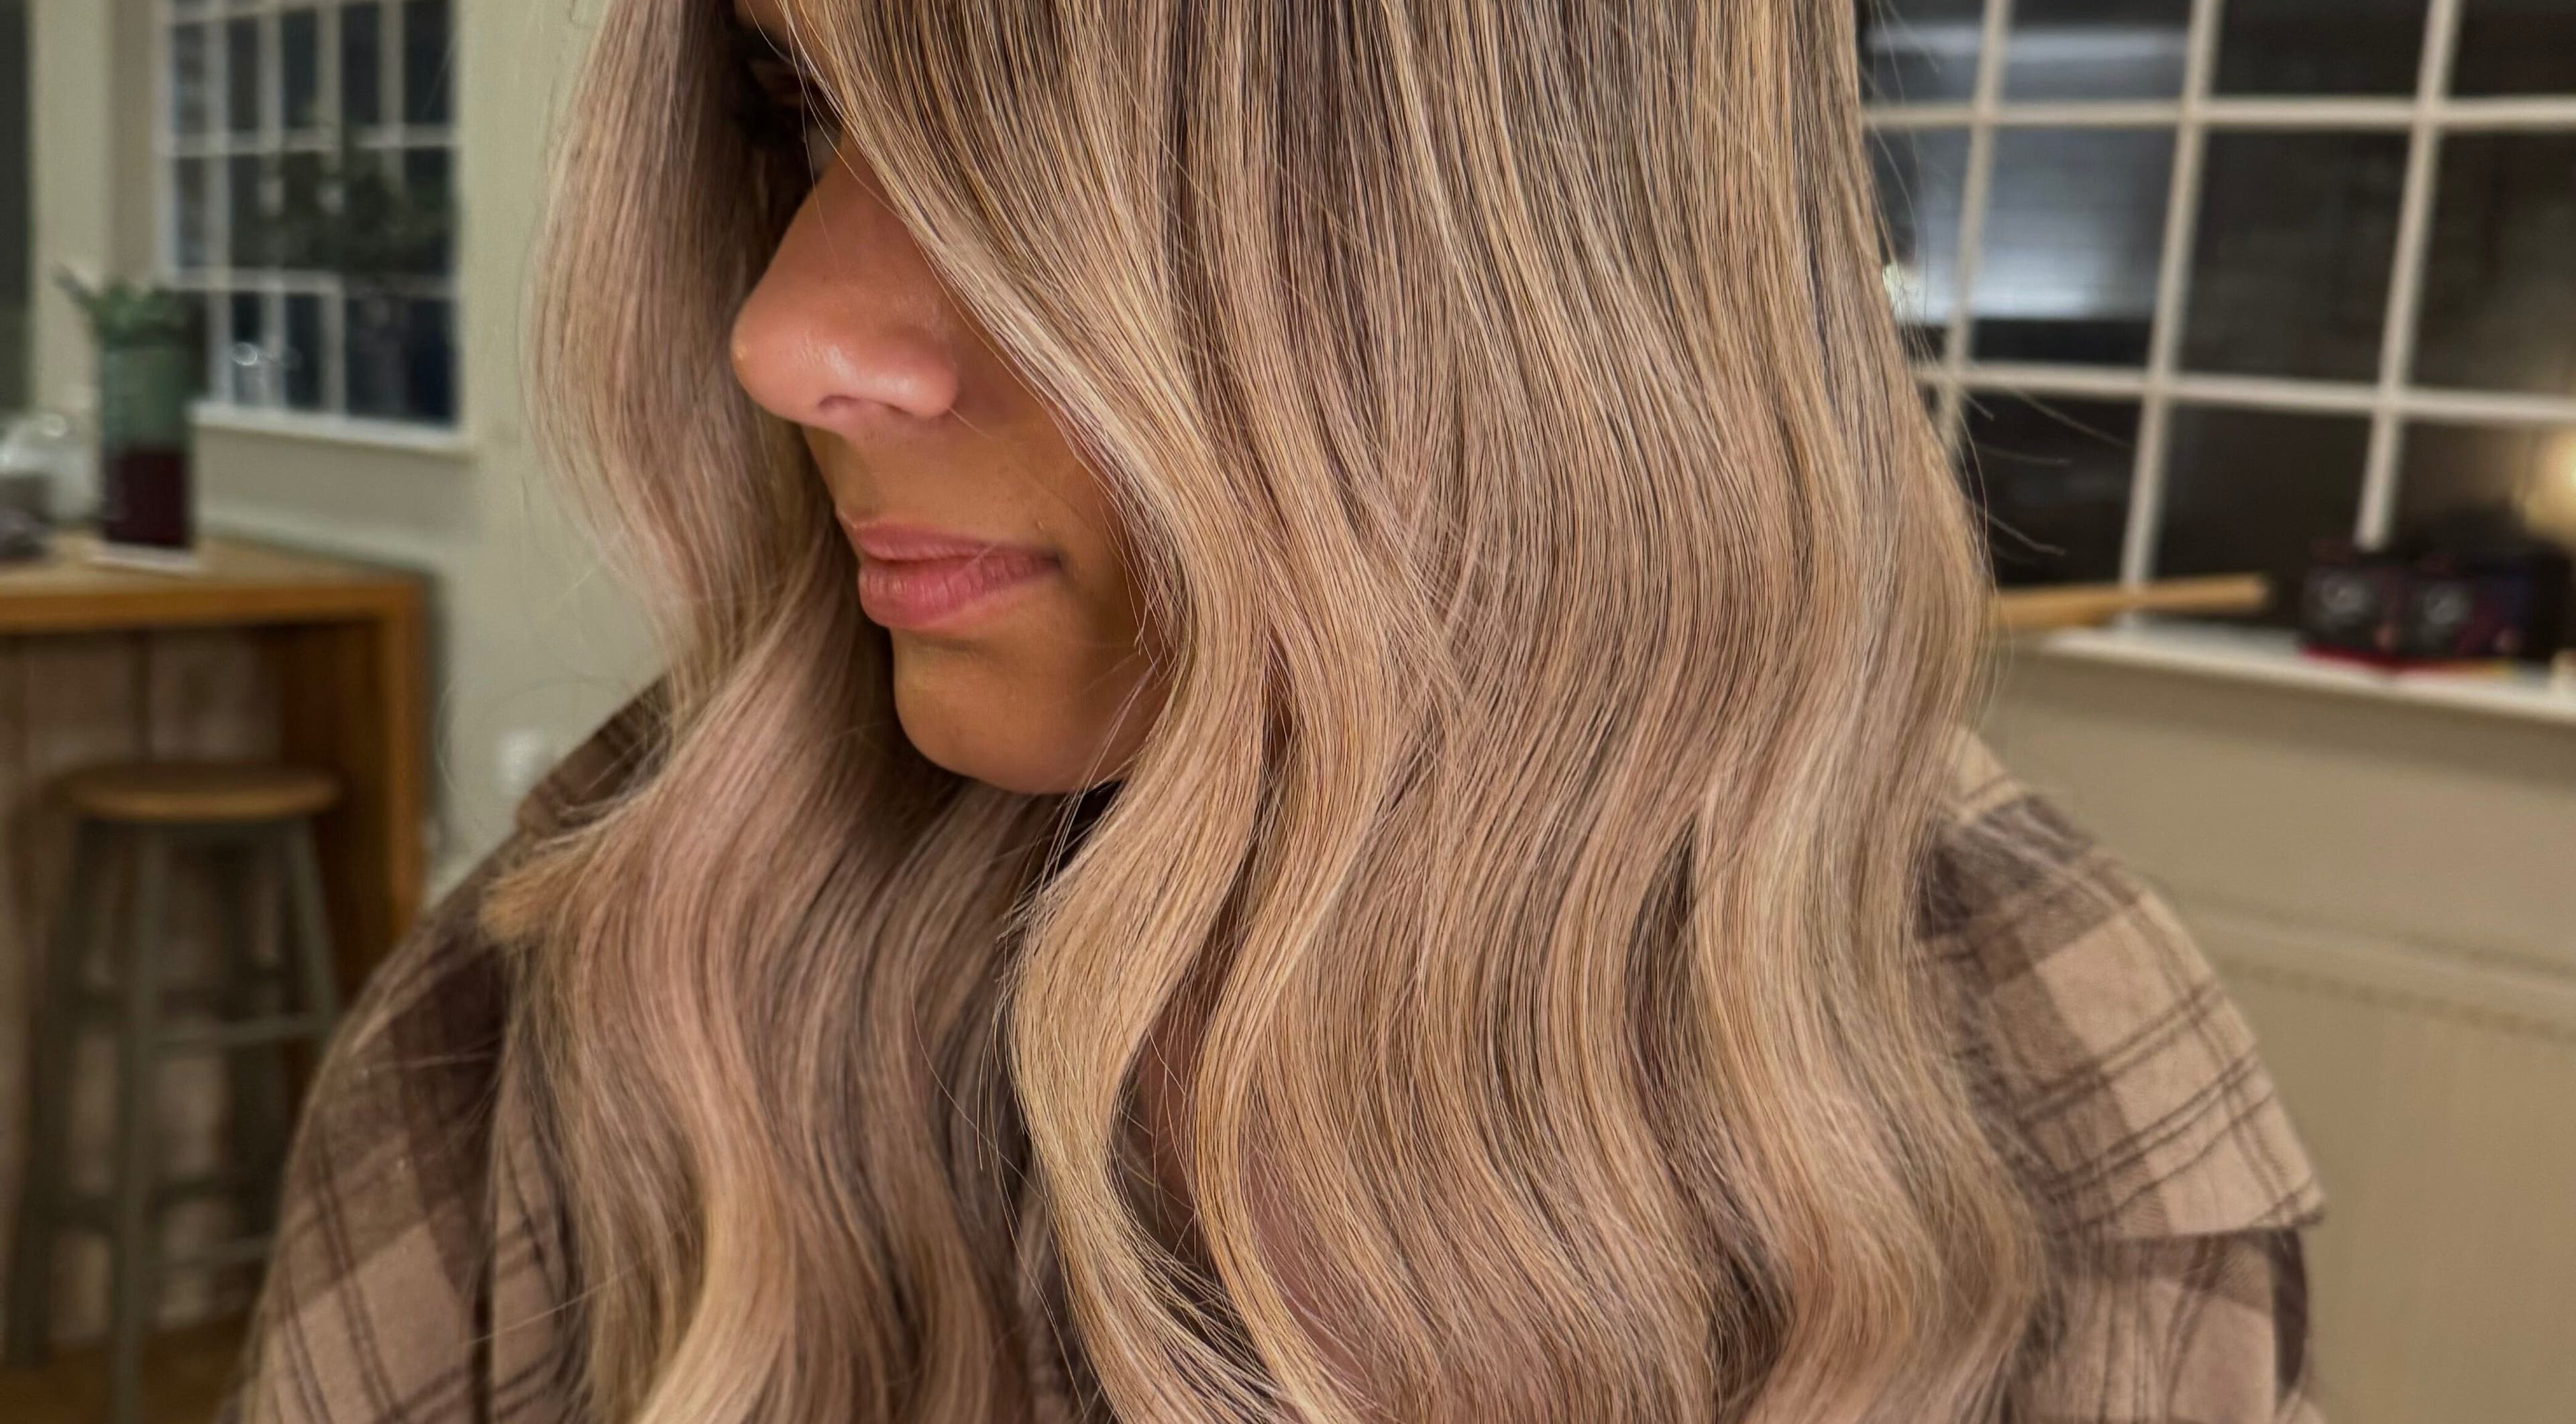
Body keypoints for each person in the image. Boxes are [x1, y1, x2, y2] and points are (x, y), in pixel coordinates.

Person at [218, 1, 2324, 1421]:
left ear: (1526, 247)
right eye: (808, 111)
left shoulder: (2034, 1065)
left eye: (1019, 161)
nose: (788, 336)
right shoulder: (649, 920)